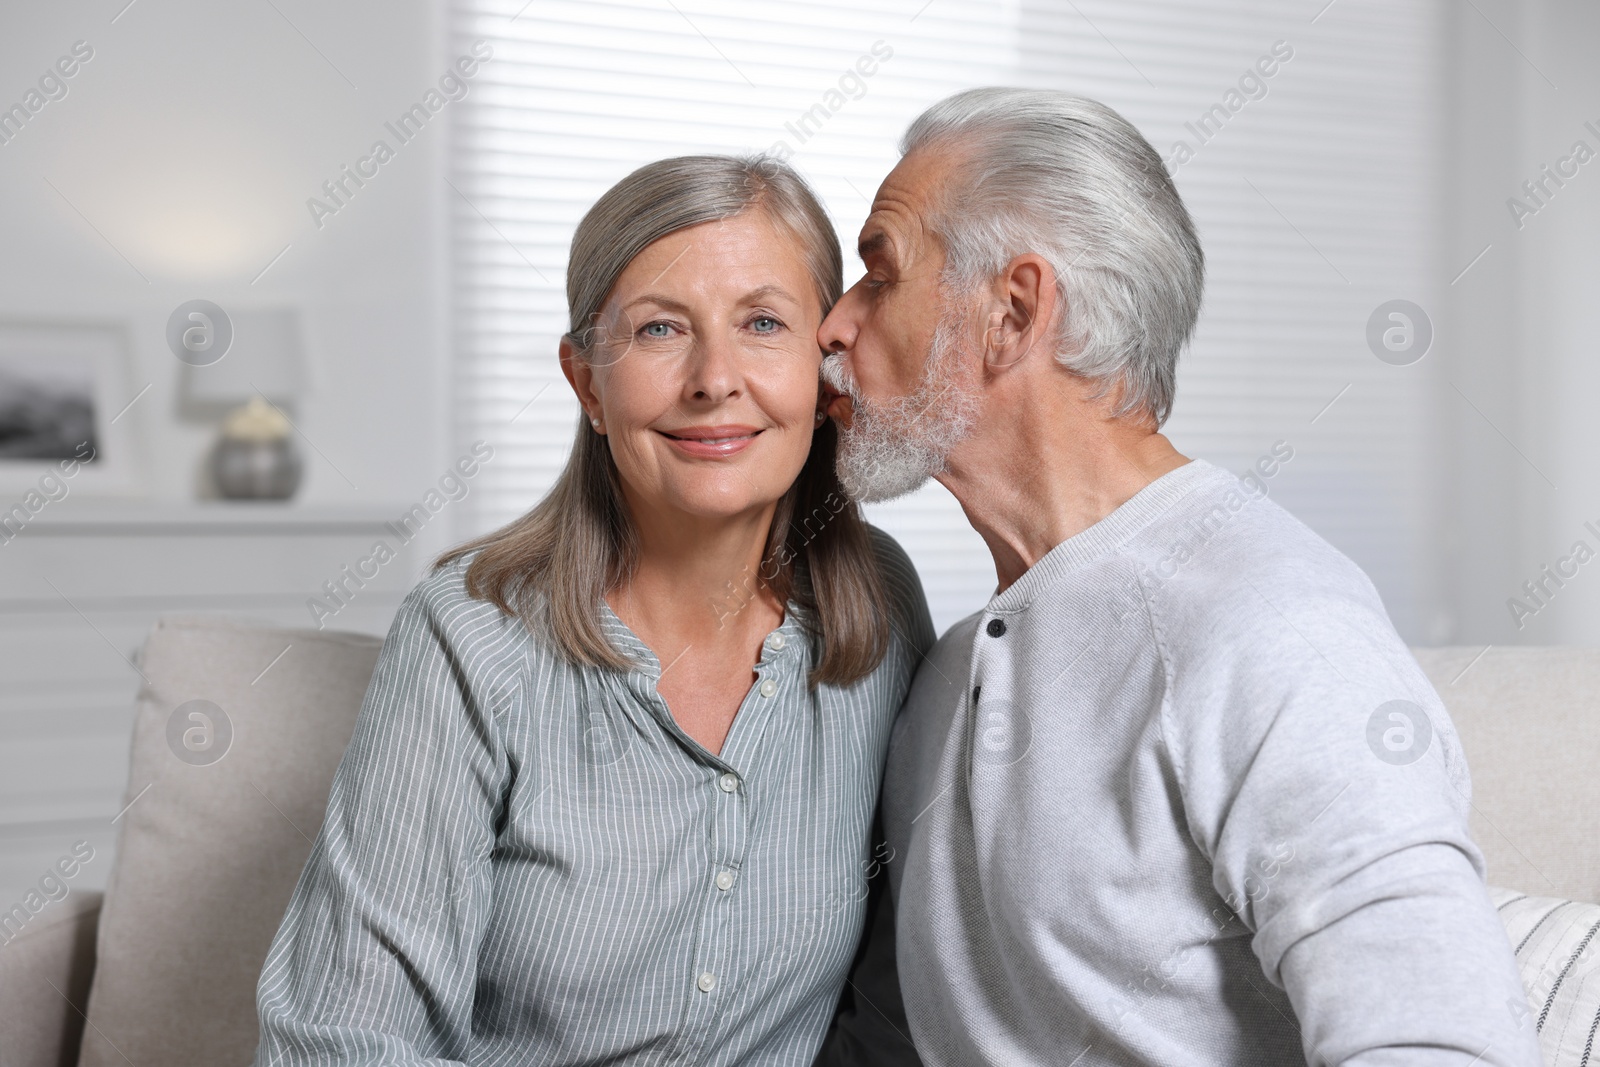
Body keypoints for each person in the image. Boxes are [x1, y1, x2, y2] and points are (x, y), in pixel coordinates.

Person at [813, 88, 1540, 1066]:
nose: (831, 325)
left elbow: (1444, 1044)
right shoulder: (940, 681)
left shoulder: (1272, 625)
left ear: (1013, 311)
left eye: (877, 271)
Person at [253, 154, 933, 1066]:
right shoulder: (470, 635)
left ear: (824, 369)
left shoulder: (880, 610)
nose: (714, 378)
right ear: (587, 385)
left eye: (764, 322)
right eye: (660, 330)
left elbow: (902, 984)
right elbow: (338, 1039)